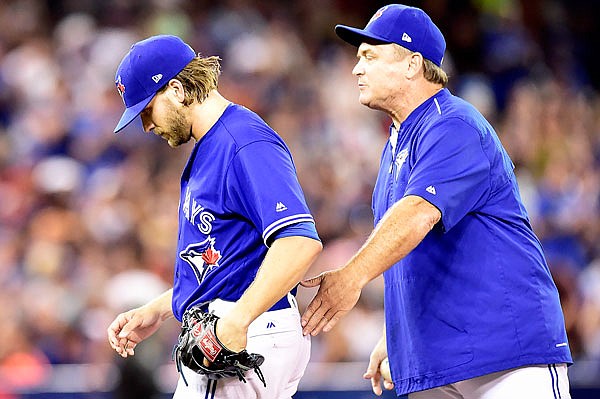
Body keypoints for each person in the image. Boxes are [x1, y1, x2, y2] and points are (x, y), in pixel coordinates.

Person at [300, 4, 573, 399]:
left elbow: (416, 216)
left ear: (412, 64)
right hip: (438, 362)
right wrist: (393, 333)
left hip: (505, 353)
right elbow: (405, 246)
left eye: (370, 56)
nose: (357, 69)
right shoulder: (396, 145)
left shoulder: (454, 123)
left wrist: (350, 277)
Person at [106, 34, 322, 399]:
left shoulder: (243, 142)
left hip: (246, 328)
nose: (146, 126)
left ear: (176, 89)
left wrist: (240, 318)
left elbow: (299, 241)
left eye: (146, 110)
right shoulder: (213, 145)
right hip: (245, 323)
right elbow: (225, 260)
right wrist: (159, 309)